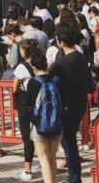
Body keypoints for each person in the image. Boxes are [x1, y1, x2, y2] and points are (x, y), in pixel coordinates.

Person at [50, 23, 89, 183]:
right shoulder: (81, 57)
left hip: (67, 107)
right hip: (80, 104)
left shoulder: (61, 64)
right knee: (70, 140)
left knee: (69, 143)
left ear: (61, 42)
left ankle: (74, 178)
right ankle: (75, 176)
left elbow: (50, 80)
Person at [26, 51, 61, 183]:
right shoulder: (56, 80)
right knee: (52, 157)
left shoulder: (32, 82)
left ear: (34, 67)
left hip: (39, 124)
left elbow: (28, 105)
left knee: (43, 158)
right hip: (56, 122)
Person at [12, 39, 37, 180]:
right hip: (37, 102)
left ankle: (27, 170)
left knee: (27, 138)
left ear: (24, 51)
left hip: (26, 104)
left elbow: (14, 87)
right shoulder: (39, 62)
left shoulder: (22, 67)